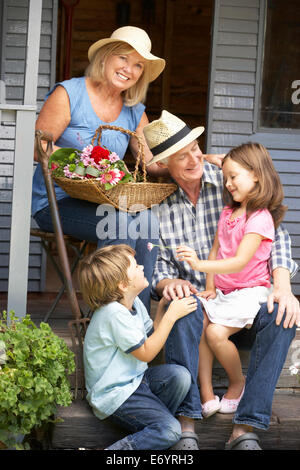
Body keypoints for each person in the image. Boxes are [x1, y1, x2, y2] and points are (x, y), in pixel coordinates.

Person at [143, 110, 300, 450]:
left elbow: (276, 233)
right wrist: (165, 283)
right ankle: (187, 423)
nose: (193, 158)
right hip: (203, 299)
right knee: (180, 304)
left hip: (248, 293)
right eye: (181, 155)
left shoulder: (229, 182)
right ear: (164, 164)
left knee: (282, 318)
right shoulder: (158, 208)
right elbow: (158, 264)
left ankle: (246, 428)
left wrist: (283, 286)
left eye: (195, 148)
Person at [32, 26, 167, 312]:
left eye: (138, 64)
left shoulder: (133, 109)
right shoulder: (69, 93)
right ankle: (109, 318)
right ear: (105, 57)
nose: (129, 69)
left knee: (147, 222)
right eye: (122, 58)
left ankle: (136, 320)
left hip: (102, 202)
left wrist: (194, 157)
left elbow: (153, 162)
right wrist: (84, 163)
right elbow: (38, 147)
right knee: (119, 224)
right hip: (56, 201)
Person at [176, 142, 287, 419]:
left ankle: (238, 382)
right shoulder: (228, 213)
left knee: (215, 333)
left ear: (257, 175)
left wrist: (199, 264)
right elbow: (217, 249)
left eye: (233, 177)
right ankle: (206, 393)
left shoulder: (260, 218)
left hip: (250, 292)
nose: (227, 184)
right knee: (201, 324)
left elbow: (239, 260)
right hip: (225, 292)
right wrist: (210, 286)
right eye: (225, 178)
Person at [79, 244, 198, 450]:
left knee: (180, 376)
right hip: (114, 395)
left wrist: (162, 309)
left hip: (135, 382)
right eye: (135, 267)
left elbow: (151, 338)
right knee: (171, 430)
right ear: (123, 285)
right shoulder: (113, 313)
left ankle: (152, 427)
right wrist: (171, 315)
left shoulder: (134, 304)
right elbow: (147, 353)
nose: (142, 267)